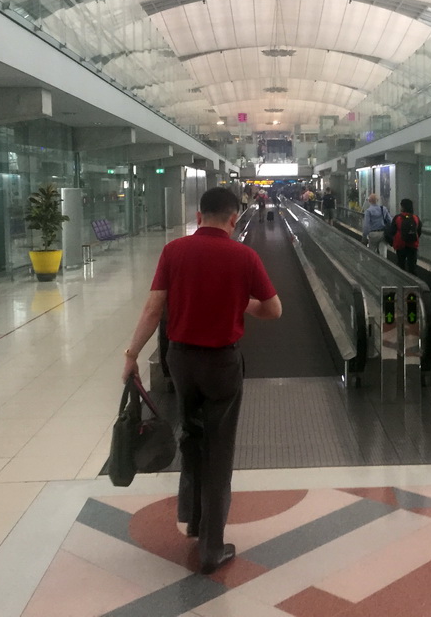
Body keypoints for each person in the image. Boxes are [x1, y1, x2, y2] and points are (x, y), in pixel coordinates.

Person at [120, 187, 281, 575]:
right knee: (219, 450)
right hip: (221, 365)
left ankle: (192, 519)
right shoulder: (244, 256)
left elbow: (152, 307)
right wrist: (241, 304)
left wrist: (131, 355)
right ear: (233, 218)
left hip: (181, 361)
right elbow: (274, 310)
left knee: (191, 437)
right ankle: (212, 546)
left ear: (198, 215)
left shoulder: (174, 251)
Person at [389, 198, 422, 274]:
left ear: (403, 207)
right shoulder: (416, 218)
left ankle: (402, 282)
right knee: (412, 266)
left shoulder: (398, 217)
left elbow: (392, 231)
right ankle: (413, 283)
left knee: (401, 265)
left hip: (400, 245)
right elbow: (419, 231)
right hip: (413, 245)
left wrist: (393, 242)